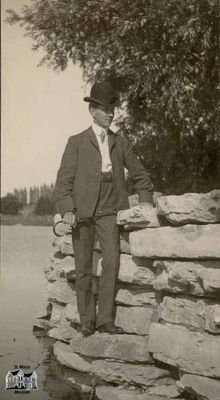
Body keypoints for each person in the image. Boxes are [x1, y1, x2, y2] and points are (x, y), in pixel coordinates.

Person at [54, 81, 153, 336]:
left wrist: (145, 204)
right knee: (84, 266)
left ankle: (105, 320)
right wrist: (68, 208)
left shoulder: (120, 142)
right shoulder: (75, 142)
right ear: (92, 111)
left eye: (113, 109)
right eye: (105, 109)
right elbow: (63, 182)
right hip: (83, 211)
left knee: (111, 260)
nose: (110, 114)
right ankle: (87, 319)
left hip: (111, 207)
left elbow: (141, 175)